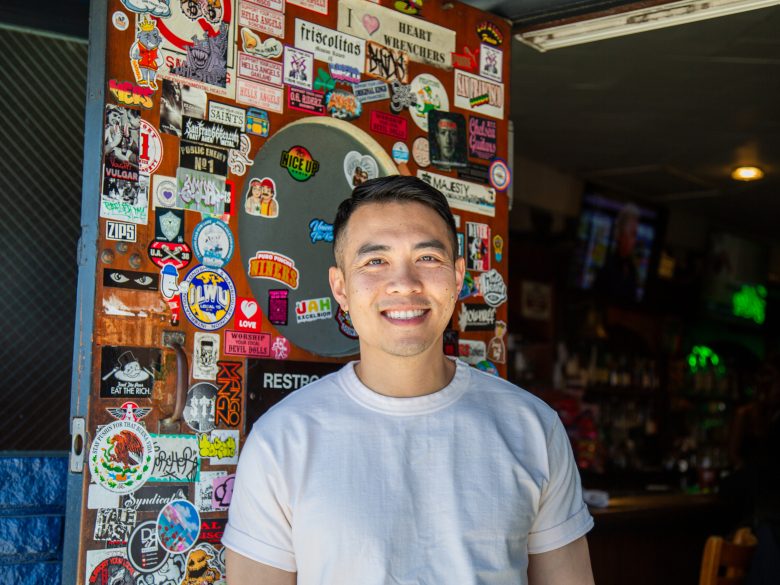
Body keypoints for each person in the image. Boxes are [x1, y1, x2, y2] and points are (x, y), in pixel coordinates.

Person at [223, 175, 595, 584]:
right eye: (375, 261)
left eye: (427, 259)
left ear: (457, 278)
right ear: (340, 288)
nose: (404, 283)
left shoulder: (532, 427)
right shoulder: (282, 440)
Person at [593, 203, 641, 302]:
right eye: (633, 234)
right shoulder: (607, 267)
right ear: (620, 235)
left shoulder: (631, 268)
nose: (635, 241)